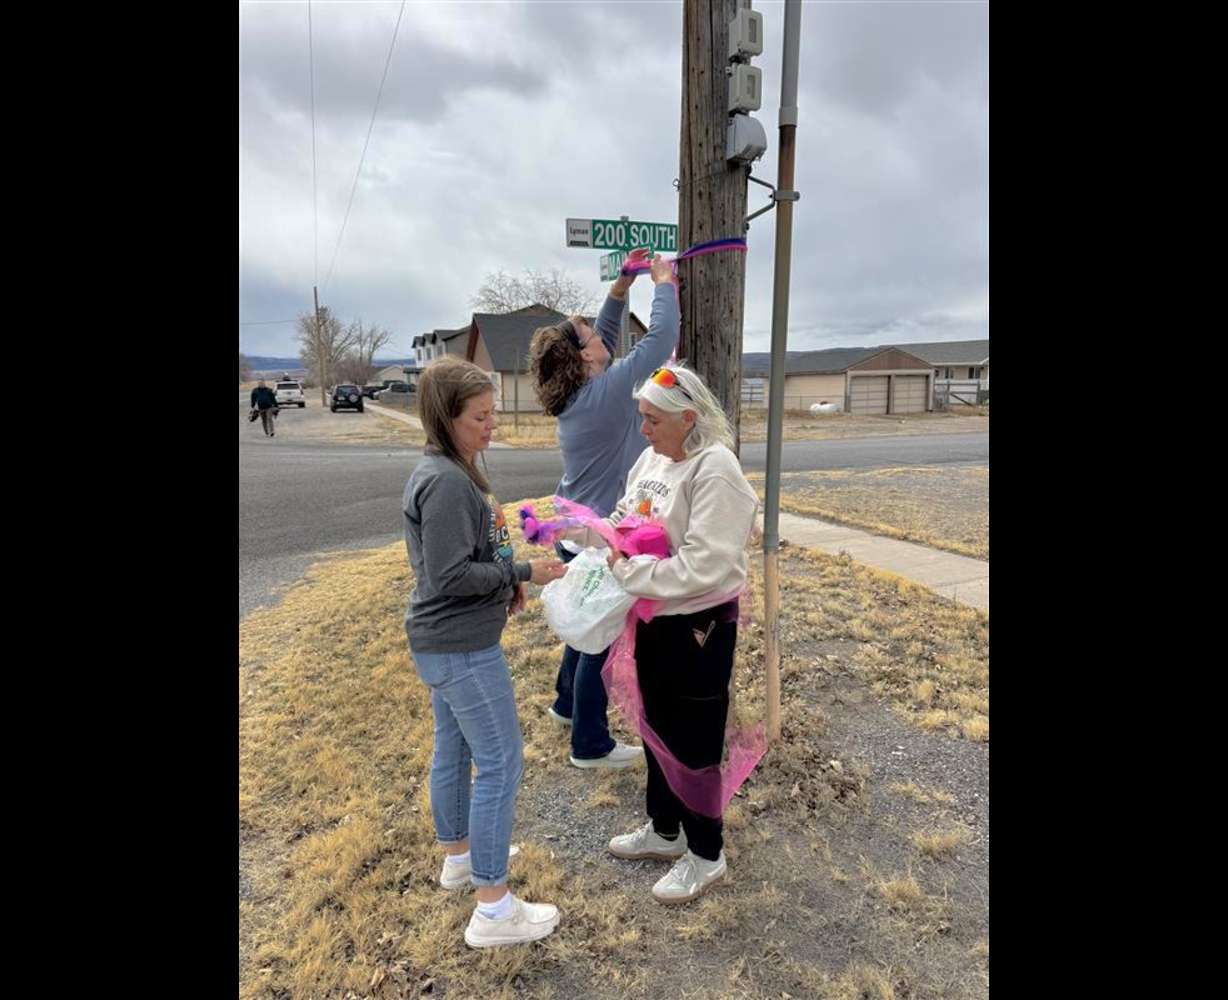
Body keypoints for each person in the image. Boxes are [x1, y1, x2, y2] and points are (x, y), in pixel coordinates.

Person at [555, 363, 759, 905]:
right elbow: (628, 515)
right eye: (641, 417)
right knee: (655, 724)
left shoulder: (715, 470)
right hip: (651, 616)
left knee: (693, 733)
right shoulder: (652, 460)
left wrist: (629, 571)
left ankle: (706, 854)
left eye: (652, 420)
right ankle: (664, 830)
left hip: (698, 624)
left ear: (687, 419)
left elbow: (708, 564)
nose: (642, 430)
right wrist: (598, 535)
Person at [402, 355, 568, 948]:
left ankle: (460, 858)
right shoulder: (446, 481)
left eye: (493, 411)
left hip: (450, 642)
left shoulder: (457, 465)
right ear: (447, 419)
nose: (492, 424)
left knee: (454, 747)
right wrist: (524, 569)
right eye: (480, 416)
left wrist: (506, 580)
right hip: (460, 647)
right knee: (500, 762)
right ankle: (494, 909)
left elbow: (474, 554)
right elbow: (447, 575)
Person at [526, 249, 679, 770]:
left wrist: (619, 288)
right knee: (599, 641)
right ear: (584, 357)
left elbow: (607, 341)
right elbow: (658, 343)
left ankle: (566, 705)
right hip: (600, 535)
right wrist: (663, 283)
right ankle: (590, 745)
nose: (600, 336)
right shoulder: (606, 394)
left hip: (578, 527)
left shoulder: (584, 393)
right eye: (591, 336)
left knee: (584, 618)